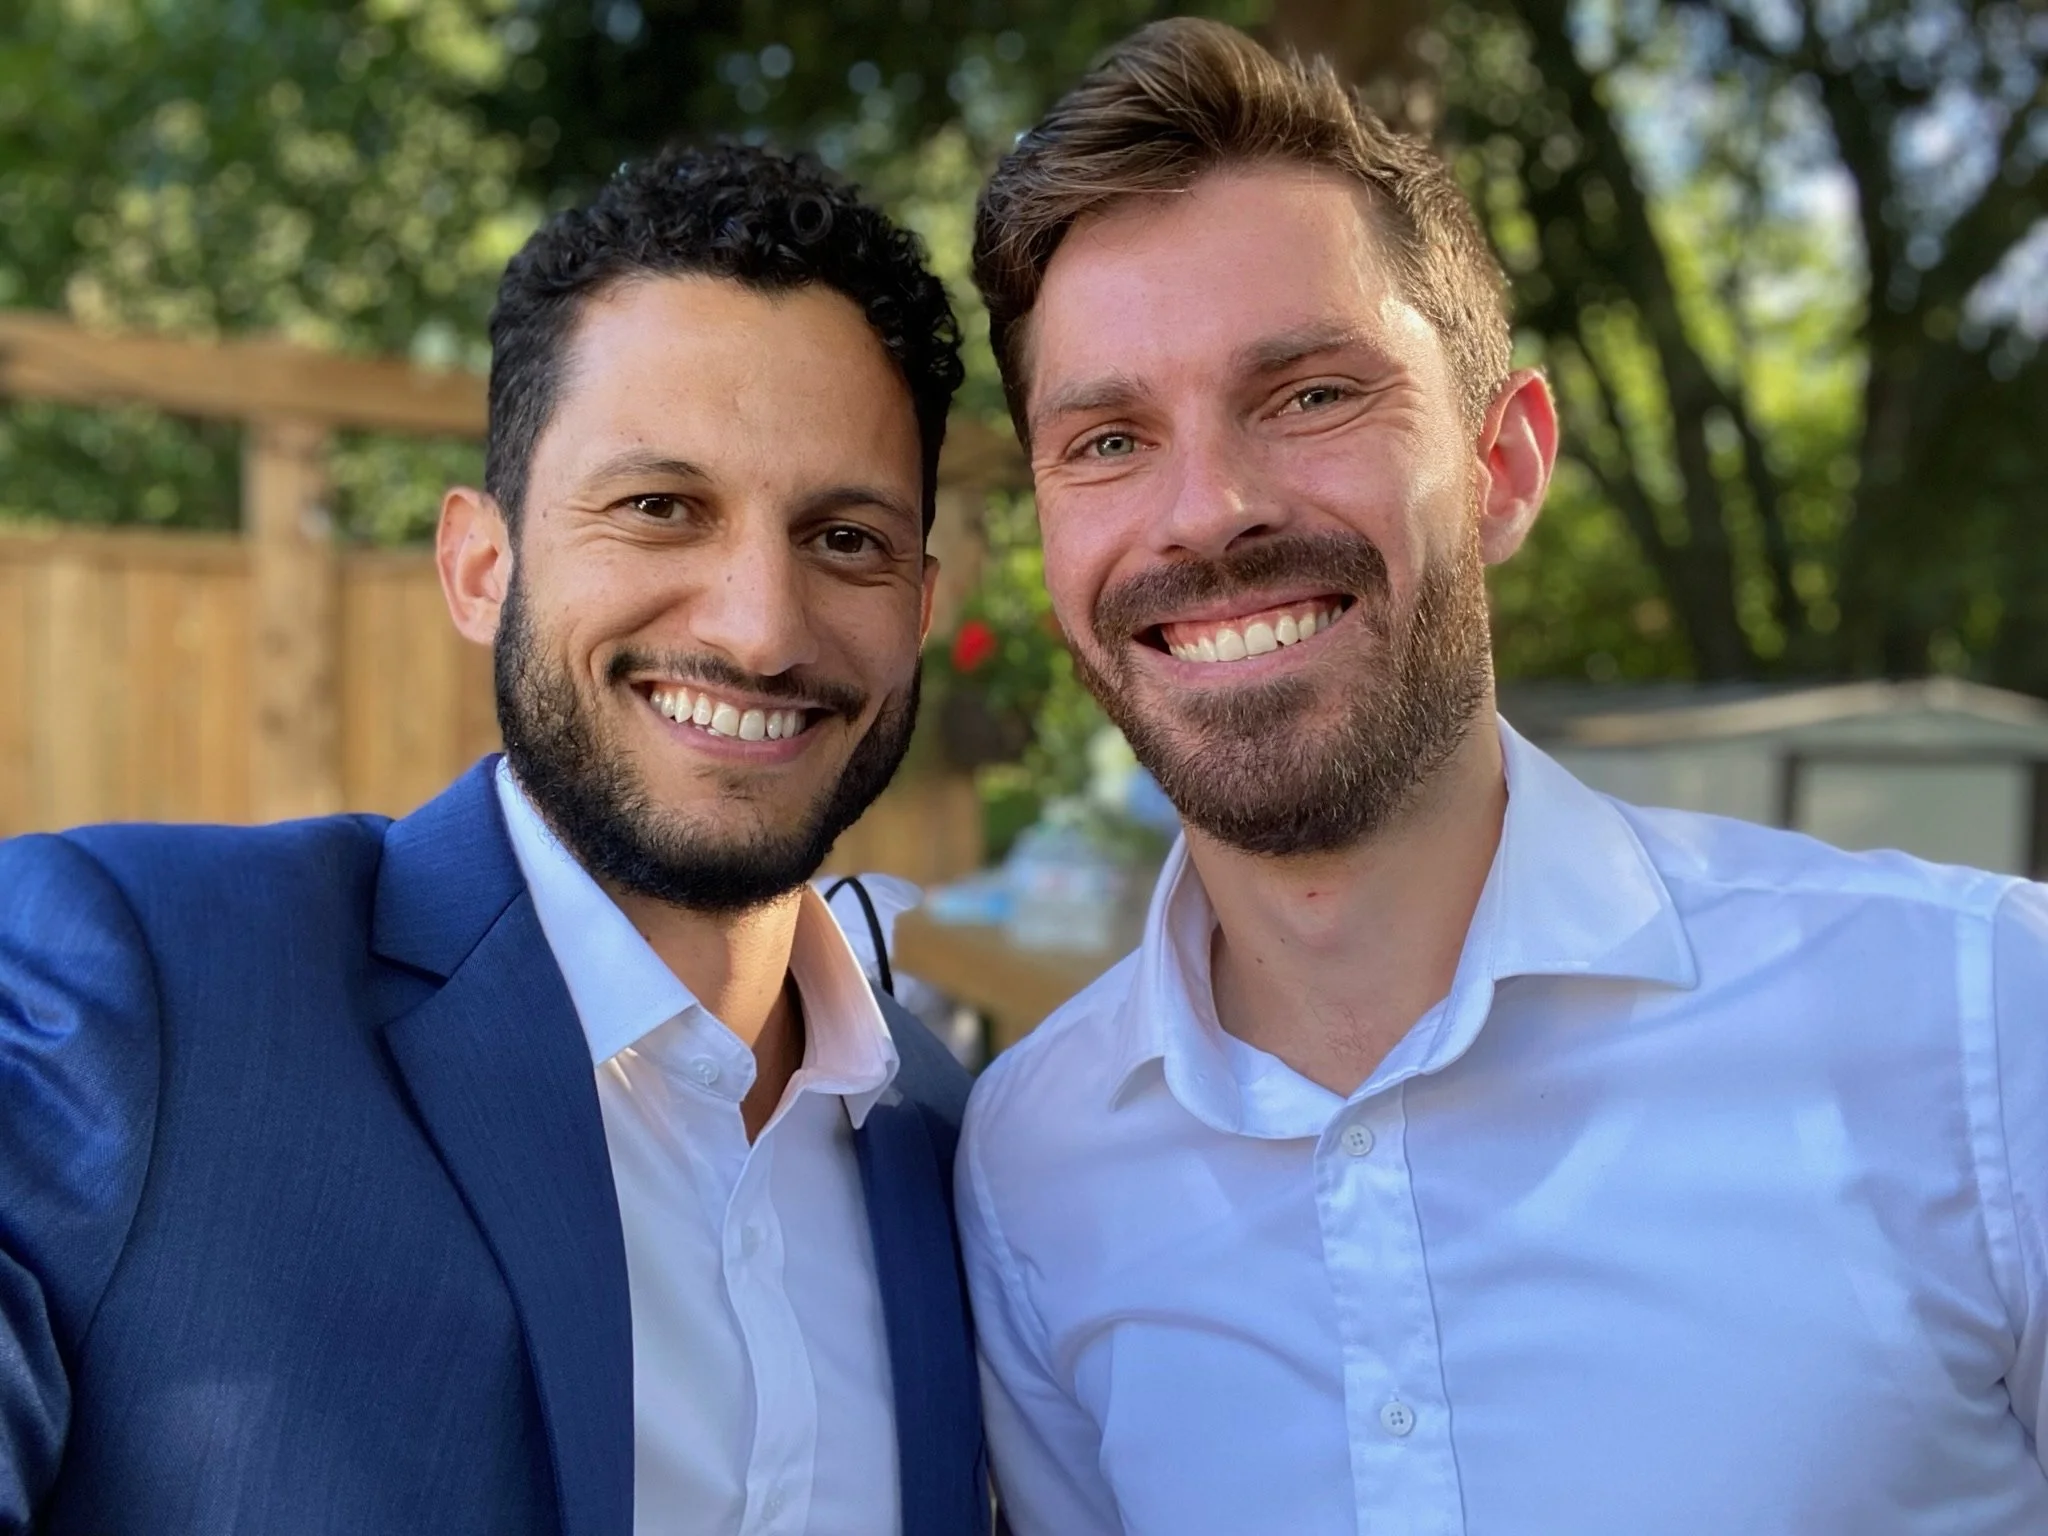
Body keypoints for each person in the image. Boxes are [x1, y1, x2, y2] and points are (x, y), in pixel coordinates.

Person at [957, 19, 2048, 1535]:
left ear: (1507, 466)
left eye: (1311, 396)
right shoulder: (1028, 1171)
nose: (1205, 513)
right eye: (1109, 438)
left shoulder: (1990, 1020)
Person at [0, 144, 988, 1536]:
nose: (761, 626)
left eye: (845, 538)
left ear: (922, 604)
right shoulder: (135, 987)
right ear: (480, 564)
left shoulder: (954, 1142)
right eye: (661, 507)